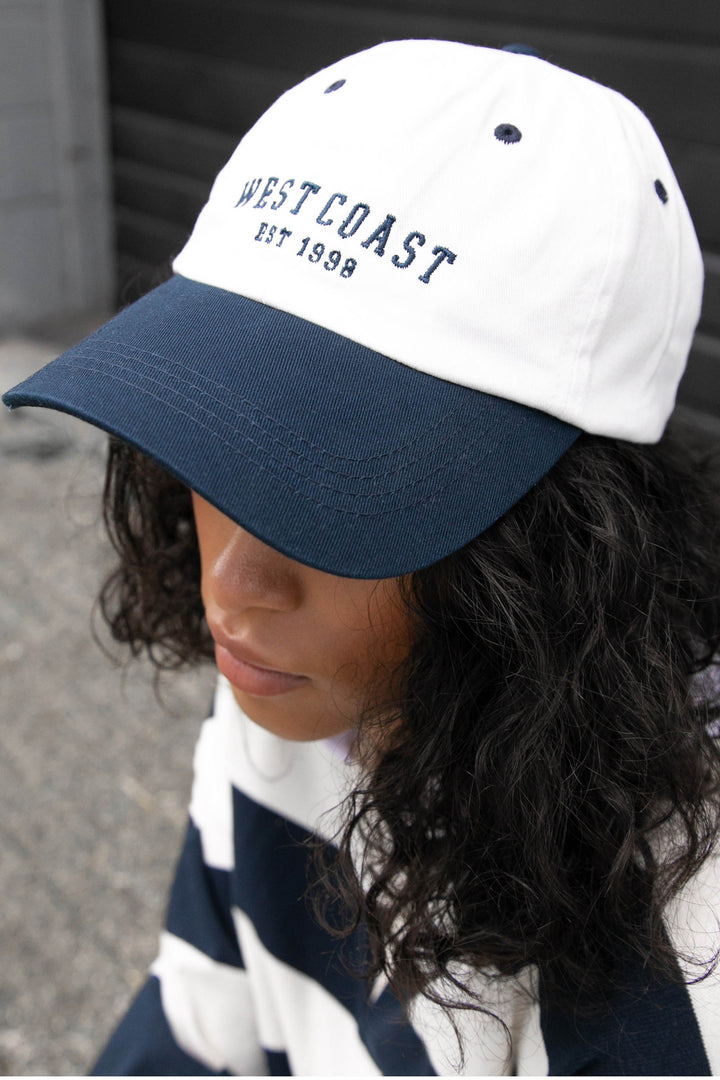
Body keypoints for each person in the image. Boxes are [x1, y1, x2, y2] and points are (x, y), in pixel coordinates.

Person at [4, 38, 720, 1076]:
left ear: (558, 547)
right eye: (216, 444)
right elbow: (194, 1037)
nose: (234, 589)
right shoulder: (300, 713)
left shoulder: (686, 961)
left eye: (333, 491)